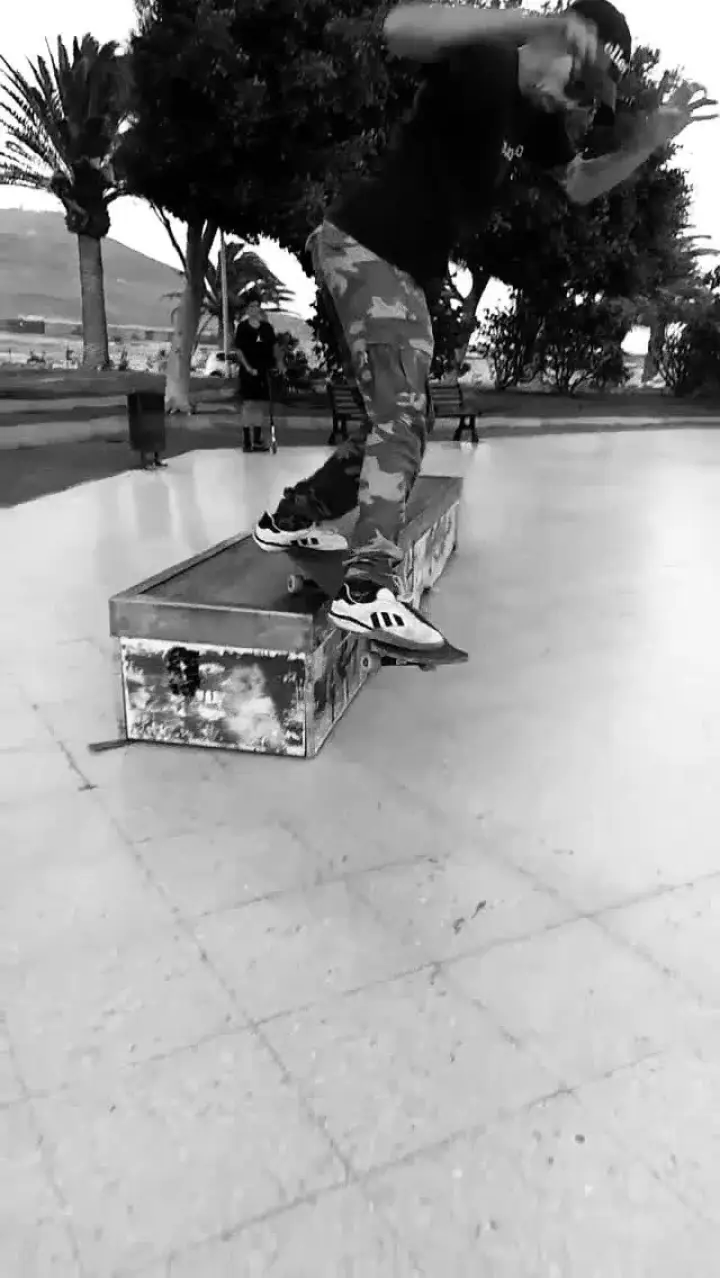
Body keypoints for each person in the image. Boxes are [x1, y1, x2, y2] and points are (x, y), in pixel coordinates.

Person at [253, 0, 716, 650]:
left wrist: (645, 141)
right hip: (365, 244)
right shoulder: (485, 62)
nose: (577, 105)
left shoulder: (540, 121)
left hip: (403, 267)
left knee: (400, 414)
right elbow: (399, 30)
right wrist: (531, 23)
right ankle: (366, 589)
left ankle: (294, 514)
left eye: (590, 99)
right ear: (559, 40)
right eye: (580, 85)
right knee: (402, 417)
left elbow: (579, 185)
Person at [234, 299, 284, 452]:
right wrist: (248, 368)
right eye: (251, 306)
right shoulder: (242, 327)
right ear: (247, 309)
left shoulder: (267, 328)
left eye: (256, 306)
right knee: (248, 404)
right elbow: (239, 350)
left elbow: (274, 347)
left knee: (259, 406)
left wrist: (279, 363)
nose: (253, 309)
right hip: (249, 372)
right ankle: (247, 441)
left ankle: (257, 439)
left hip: (264, 371)